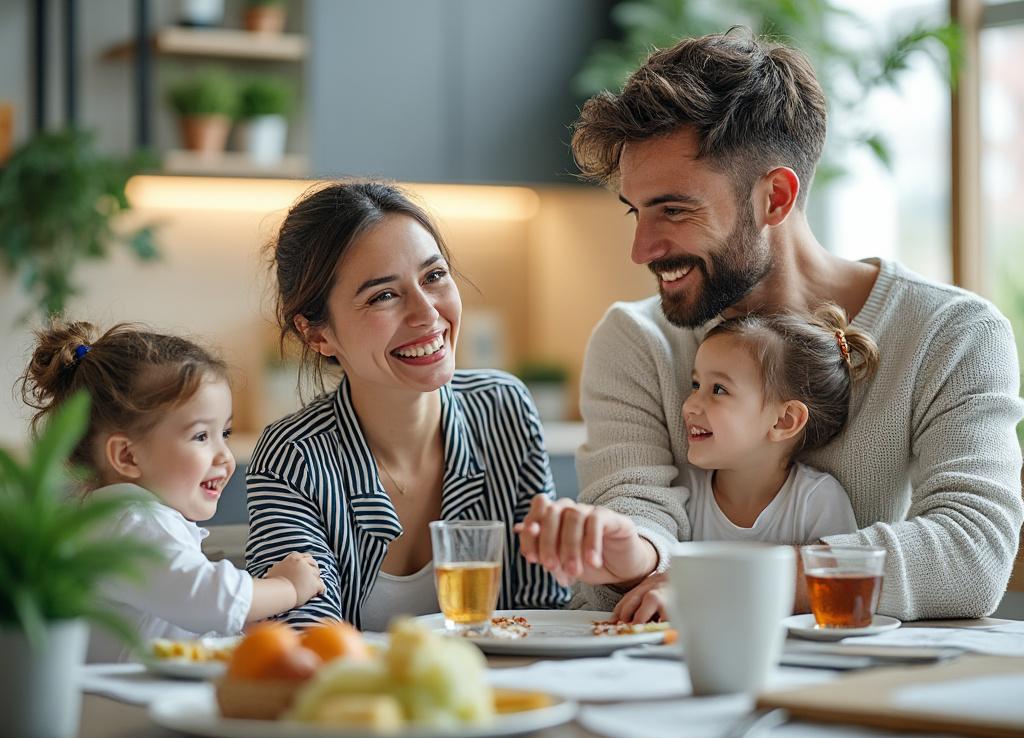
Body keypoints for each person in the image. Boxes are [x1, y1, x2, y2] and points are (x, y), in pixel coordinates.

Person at [526, 30, 1024, 621]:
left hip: (864, 692)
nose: (641, 249)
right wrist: (627, 554)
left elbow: (972, 550)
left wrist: (731, 582)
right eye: (637, 211)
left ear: (776, 197)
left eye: (675, 209)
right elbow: (639, 514)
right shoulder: (637, 341)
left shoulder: (952, 333)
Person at [245, 180, 568, 630]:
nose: (427, 314)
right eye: (383, 295)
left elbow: (544, 612)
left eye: (434, 277)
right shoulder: (295, 456)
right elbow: (308, 643)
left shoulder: (504, 410)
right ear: (316, 334)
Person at [20, 321, 325, 661]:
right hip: (121, 708)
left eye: (224, 433)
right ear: (127, 456)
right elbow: (209, 599)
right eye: (200, 436)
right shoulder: (133, 524)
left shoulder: (118, 519)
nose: (224, 456)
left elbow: (182, 615)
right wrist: (288, 588)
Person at [610, 305, 878, 622]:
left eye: (718, 389)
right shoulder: (683, 494)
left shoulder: (817, 501)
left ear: (785, 420)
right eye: (696, 385)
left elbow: (834, 605)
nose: (690, 405)